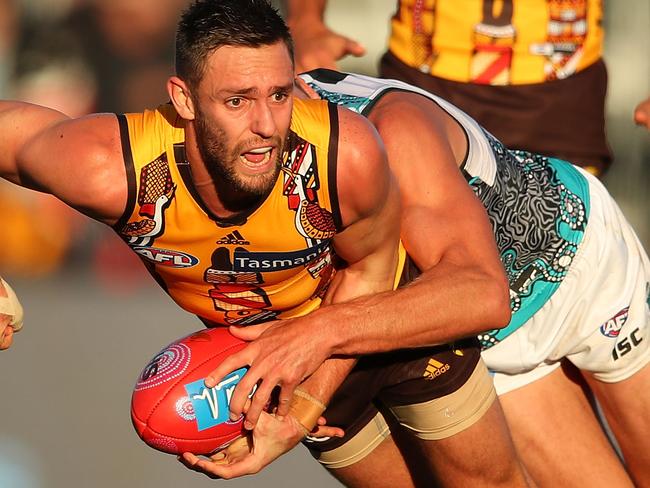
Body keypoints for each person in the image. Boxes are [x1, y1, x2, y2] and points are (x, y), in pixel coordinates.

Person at [0, 1, 530, 487]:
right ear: (183, 99)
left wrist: (308, 385)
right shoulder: (109, 168)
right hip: (276, 359)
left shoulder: (343, 153)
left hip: (378, 311)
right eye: (236, 101)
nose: (264, 126)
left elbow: (376, 267)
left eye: (278, 95)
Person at [204, 69, 650, 487]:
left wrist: (315, 335)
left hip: (577, 262)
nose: (260, 124)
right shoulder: (215, 168)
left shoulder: (388, 130)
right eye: (237, 103)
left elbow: (480, 293)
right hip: (495, 339)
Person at [284, 0, 612, 176]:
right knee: (412, 267)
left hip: (560, 90)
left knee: (563, 264)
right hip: (423, 77)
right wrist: (307, 22)